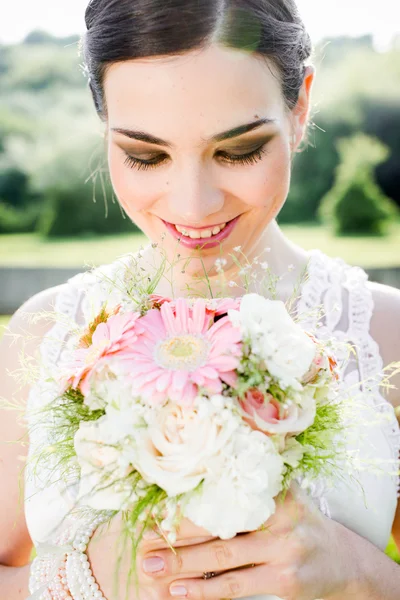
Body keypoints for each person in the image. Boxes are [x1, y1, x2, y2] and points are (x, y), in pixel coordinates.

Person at [1, 1, 400, 599]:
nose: (193, 207)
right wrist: (79, 577)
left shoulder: (387, 336)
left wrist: (360, 574)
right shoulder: (47, 334)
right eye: (146, 154)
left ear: (300, 108)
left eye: (239, 150)